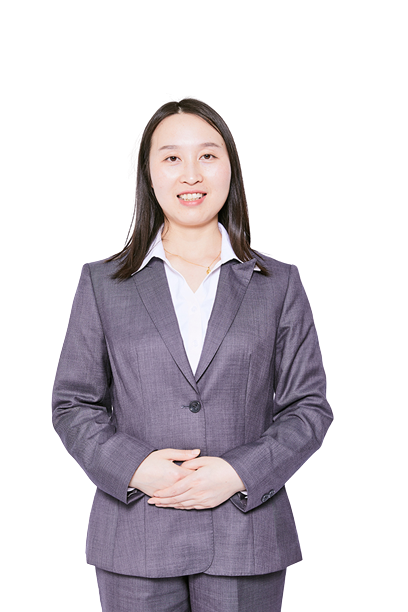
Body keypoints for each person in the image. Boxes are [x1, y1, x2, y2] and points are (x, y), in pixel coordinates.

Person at [51, 95, 333, 612]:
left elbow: (309, 408)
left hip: (246, 539)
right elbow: (73, 404)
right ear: (148, 173)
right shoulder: (101, 283)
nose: (191, 174)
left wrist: (239, 473)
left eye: (207, 155)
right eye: (172, 157)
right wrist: (135, 467)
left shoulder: (279, 282)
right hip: (135, 539)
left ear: (230, 168)